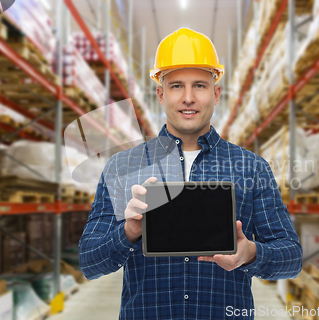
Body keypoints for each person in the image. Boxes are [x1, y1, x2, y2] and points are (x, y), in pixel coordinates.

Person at [79, 28, 302, 320]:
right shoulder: (124, 167)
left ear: (216, 93)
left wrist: (251, 253)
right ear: (160, 94)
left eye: (199, 85)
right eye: (175, 86)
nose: (188, 98)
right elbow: (89, 262)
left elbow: (292, 257)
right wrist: (129, 231)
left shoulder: (252, 168)